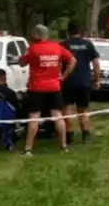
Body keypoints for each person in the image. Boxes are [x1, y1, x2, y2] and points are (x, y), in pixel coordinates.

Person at [18, 24, 76, 155]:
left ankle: (28, 149)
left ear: (36, 35)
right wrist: (63, 76)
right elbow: (73, 60)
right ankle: (63, 146)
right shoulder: (57, 47)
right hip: (54, 87)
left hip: (37, 88)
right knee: (57, 116)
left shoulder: (32, 49)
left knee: (34, 117)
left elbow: (22, 62)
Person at [60, 22, 101, 145]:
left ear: (68, 31)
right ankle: (86, 135)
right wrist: (97, 79)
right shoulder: (88, 44)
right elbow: (96, 63)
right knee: (83, 110)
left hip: (68, 81)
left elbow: (59, 63)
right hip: (84, 82)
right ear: (81, 31)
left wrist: (60, 78)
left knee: (67, 108)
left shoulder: (64, 45)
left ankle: (68, 135)